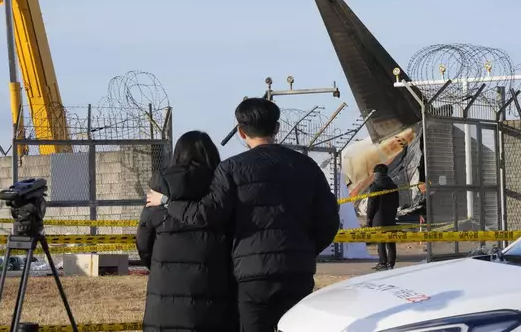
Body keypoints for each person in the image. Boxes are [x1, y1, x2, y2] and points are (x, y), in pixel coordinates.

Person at [146, 98, 340, 332]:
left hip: (252, 274)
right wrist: (306, 248)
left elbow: (206, 214)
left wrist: (167, 202)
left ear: (241, 132)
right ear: (277, 128)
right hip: (298, 270)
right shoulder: (307, 166)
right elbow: (329, 220)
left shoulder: (231, 169)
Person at [136, 130, 238, 332]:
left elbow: (144, 241)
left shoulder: (160, 190)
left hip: (165, 291)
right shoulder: (223, 188)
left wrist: (160, 265)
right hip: (215, 288)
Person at [366, 163, 399, 271]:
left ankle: (382, 263)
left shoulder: (375, 186)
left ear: (376, 174)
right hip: (391, 216)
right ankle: (391, 263)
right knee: (390, 241)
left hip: (378, 218)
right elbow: (396, 202)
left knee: (381, 241)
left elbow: (371, 204)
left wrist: (369, 218)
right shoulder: (394, 186)